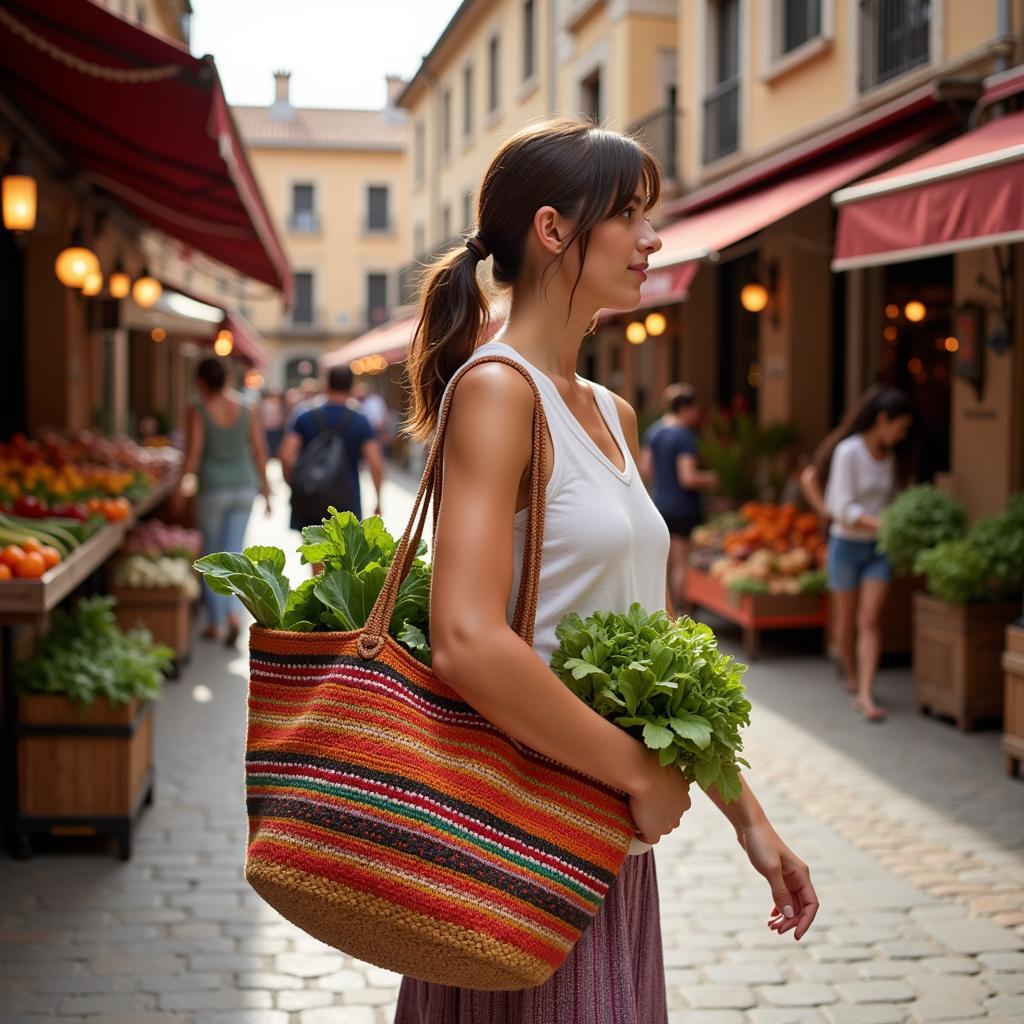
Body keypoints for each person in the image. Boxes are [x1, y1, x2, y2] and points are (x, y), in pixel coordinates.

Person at [394, 119, 818, 1023]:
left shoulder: (616, 416)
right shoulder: (498, 391)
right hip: (521, 836)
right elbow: (465, 638)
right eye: (629, 214)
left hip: (610, 850)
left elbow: (657, 655)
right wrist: (634, 770)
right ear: (553, 231)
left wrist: (749, 817)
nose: (653, 238)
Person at [801, 385, 913, 722]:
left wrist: (892, 525)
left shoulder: (893, 458)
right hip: (846, 545)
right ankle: (850, 672)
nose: (903, 435)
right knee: (845, 622)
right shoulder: (849, 451)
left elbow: (892, 501)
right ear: (882, 419)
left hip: (879, 549)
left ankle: (866, 693)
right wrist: (881, 525)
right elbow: (840, 506)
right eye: (900, 426)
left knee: (869, 619)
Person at [175, 357, 270, 646]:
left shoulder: (199, 409)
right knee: (234, 553)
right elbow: (258, 450)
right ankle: (233, 614)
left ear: (201, 381)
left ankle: (216, 623)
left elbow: (193, 454)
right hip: (244, 486)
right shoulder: (247, 407)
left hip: (213, 487)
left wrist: (181, 487)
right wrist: (266, 489)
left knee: (212, 557)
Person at [640, 383, 718, 613]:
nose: (697, 415)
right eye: (695, 410)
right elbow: (688, 478)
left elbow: (645, 468)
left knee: (664, 564)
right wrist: (711, 479)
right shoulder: (685, 437)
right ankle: (681, 612)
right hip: (683, 507)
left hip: (659, 504)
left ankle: (662, 608)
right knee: (681, 563)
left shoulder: (654, 431)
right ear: (684, 408)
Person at [277, 364, 384, 530]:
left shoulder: (304, 415)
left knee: (313, 551)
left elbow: (285, 455)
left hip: (310, 494)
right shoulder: (360, 419)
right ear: (351, 386)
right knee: (343, 552)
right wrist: (378, 499)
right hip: (347, 498)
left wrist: (293, 483)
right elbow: (375, 463)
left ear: (326, 384)